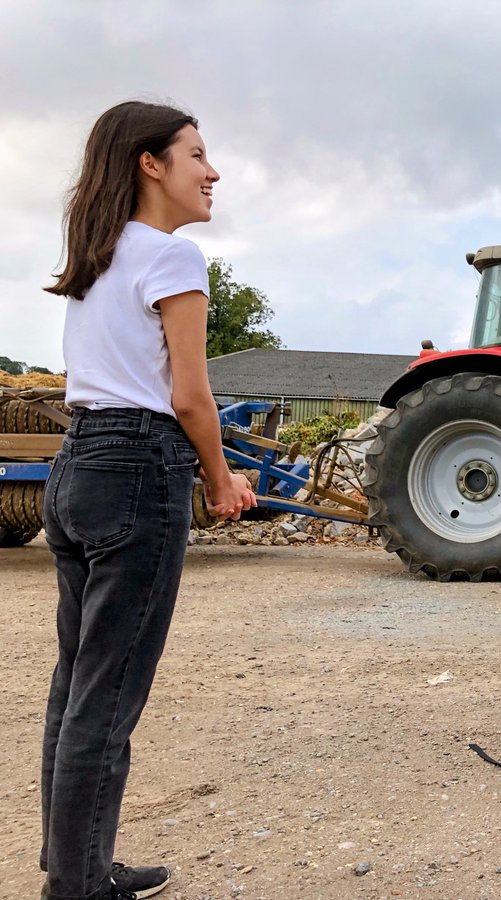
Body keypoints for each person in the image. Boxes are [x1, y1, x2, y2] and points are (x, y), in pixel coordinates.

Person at [40, 101, 256, 900]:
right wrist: (222, 479)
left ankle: (77, 866)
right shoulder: (173, 256)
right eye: (196, 153)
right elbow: (191, 397)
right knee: (107, 696)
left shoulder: (96, 258)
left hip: (77, 464)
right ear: (150, 163)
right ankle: (78, 887)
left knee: (76, 686)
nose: (212, 170)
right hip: (136, 468)